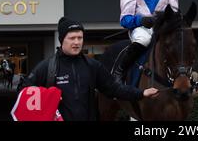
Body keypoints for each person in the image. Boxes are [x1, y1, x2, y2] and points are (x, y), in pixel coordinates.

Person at [20, 17, 159, 121]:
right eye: (72, 38)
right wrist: (47, 96)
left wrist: (141, 93)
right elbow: (24, 91)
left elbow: (114, 89)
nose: (76, 42)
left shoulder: (92, 66)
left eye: (80, 38)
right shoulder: (47, 67)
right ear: (62, 40)